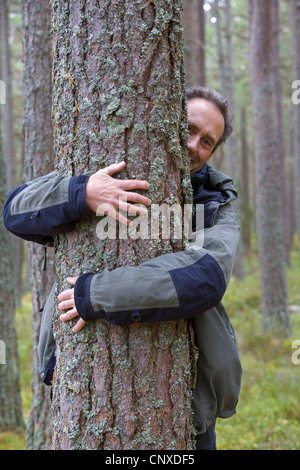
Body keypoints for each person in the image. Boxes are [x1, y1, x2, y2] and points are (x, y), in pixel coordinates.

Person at [3, 86, 242, 450]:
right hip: (82, 388)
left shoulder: (215, 201)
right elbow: (15, 211)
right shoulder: (98, 165)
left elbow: (204, 278)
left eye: (207, 141)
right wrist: (81, 194)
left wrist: (95, 294)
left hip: (186, 403)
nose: (194, 145)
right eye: (189, 129)